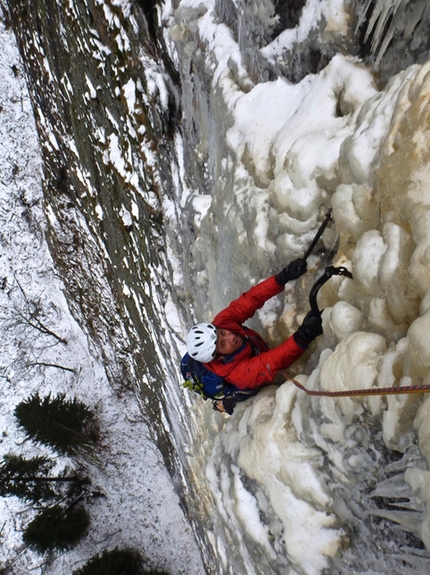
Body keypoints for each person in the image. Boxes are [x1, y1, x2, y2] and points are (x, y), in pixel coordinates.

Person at [184, 259, 323, 414]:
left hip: (253, 350)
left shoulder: (221, 322)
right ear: (218, 356)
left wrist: (282, 277)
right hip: (245, 383)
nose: (230, 336)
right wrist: (304, 336)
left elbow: (250, 300)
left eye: (222, 333)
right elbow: (271, 362)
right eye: (223, 344)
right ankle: (225, 404)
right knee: (245, 395)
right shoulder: (238, 374)